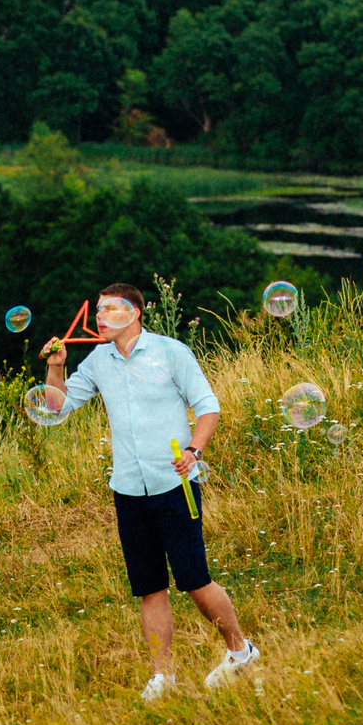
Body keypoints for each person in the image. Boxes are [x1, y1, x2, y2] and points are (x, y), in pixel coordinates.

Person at [41, 283, 260, 701]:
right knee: (149, 587)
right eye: (98, 310)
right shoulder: (98, 360)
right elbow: (56, 408)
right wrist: (56, 367)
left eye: (109, 309)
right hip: (128, 489)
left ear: (135, 313)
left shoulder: (171, 352)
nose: (100, 317)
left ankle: (240, 650)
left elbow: (208, 406)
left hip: (174, 485)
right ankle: (163, 677)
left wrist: (195, 451)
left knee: (195, 580)